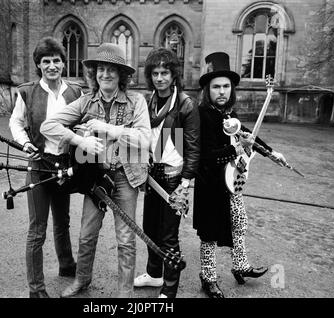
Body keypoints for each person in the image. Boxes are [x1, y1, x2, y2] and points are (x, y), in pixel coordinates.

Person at [40, 43, 151, 298]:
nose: (105, 75)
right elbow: (49, 126)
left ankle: (125, 294)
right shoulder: (85, 101)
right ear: (95, 73)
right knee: (87, 235)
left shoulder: (137, 102)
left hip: (125, 178)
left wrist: (111, 130)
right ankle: (82, 281)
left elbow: (145, 140)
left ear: (121, 75)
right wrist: (79, 140)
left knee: (125, 239)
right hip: (95, 179)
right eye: (101, 69)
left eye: (112, 69)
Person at [193, 52, 286, 298]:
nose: (222, 91)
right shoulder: (201, 115)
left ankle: (240, 266)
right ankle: (208, 278)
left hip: (232, 182)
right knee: (209, 233)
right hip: (210, 184)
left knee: (239, 223)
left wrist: (271, 153)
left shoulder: (229, 115)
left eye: (226, 86)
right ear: (207, 89)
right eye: (216, 87)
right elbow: (202, 155)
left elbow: (249, 136)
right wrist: (234, 148)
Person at [9, 36, 82, 298]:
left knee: (63, 221)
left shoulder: (75, 92)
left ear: (63, 63)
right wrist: (26, 144)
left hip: (64, 165)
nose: (52, 65)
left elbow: (82, 122)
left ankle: (66, 264)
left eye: (56, 60)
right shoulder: (27, 92)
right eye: (46, 61)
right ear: (39, 65)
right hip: (39, 164)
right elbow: (16, 123)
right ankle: (36, 289)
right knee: (37, 230)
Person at [133, 48, 200, 298]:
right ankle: (154, 273)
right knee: (150, 228)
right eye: (156, 73)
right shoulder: (147, 101)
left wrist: (186, 182)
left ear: (174, 75)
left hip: (174, 178)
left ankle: (169, 289)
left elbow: (191, 146)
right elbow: (145, 138)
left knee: (168, 235)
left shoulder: (185, 104)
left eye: (165, 73)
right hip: (152, 175)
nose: (160, 78)